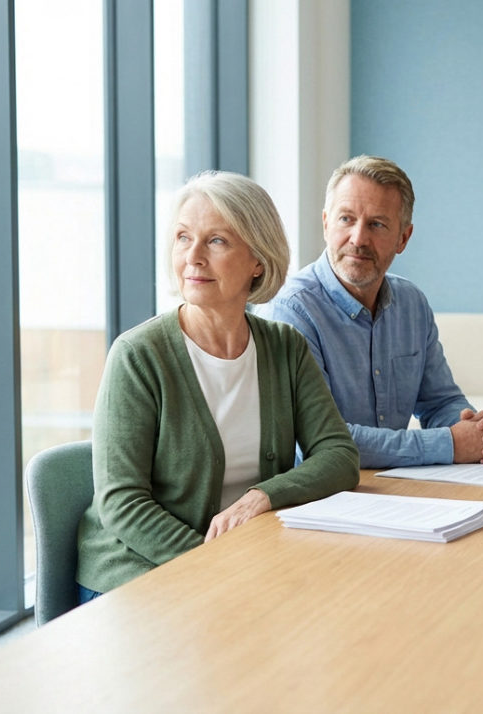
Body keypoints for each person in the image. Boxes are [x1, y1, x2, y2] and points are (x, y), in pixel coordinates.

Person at [76, 171, 360, 599]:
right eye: (183, 237)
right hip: (139, 570)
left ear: (258, 261)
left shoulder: (285, 348)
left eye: (216, 241)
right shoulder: (137, 356)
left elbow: (339, 456)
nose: (193, 256)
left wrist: (264, 495)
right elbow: (122, 505)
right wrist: (217, 566)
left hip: (244, 564)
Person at [256, 155, 483, 469]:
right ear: (326, 223)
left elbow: (441, 401)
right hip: (317, 500)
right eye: (346, 219)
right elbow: (322, 440)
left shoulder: (411, 303)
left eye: (377, 224)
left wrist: (478, 432)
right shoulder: (291, 311)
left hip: (393, 490)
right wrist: (450, 444)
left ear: (403, 238)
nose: (358, 239)